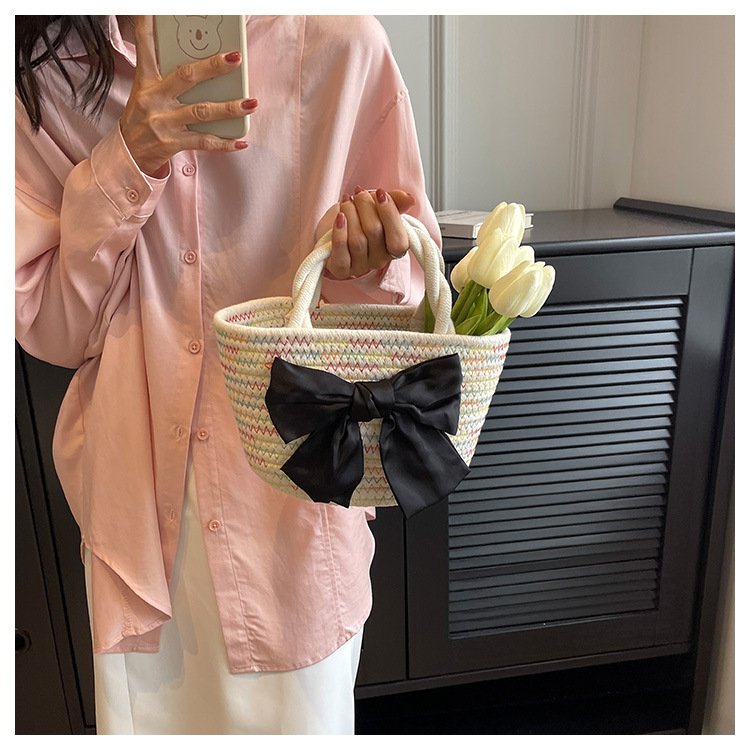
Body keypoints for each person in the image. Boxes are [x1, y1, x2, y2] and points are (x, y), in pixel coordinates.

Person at [15, 15, 440, 735]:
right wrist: (127, 160)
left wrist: (367, 263)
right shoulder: (49, 70)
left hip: (290, 511)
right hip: (138, 523)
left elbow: (409, 301)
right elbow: (56, 331)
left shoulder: (340, 45)